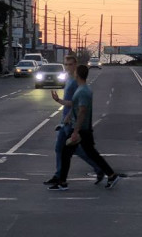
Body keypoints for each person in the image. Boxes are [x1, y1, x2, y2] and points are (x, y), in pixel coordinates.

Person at [48, 64, 121, 191]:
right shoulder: (82, 89)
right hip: (83, 129)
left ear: (78, 74)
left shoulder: (83, 91)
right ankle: (111, 175)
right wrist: (59, 100)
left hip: (81, 129)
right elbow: (73, 104)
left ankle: (62, 182)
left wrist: (75, 131)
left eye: (75, 72)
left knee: (66, 153)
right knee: (91, 154)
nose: (74, 73)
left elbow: (82, 111)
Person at [44, 55, 104, 187]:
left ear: (75, 65)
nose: (68, 67)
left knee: (76, 150)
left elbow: (77, 103)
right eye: (66, 64)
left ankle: (99, 168)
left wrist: (65, 111)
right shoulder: (69, 79)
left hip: (71, 120)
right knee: (60, 148)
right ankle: (58, 175)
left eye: (70, 64)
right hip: (65, 120)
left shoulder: (76, 81)